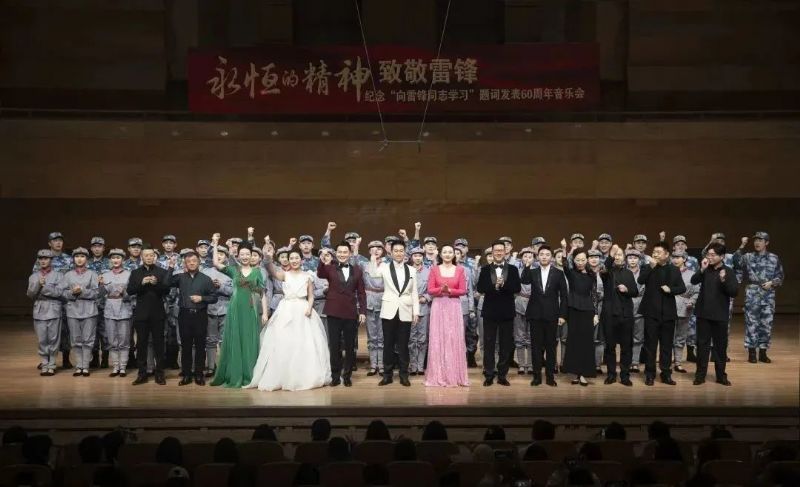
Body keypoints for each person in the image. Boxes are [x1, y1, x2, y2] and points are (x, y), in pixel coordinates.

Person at [247, 247, 331, 391]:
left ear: (301, 260)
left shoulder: (308, 276)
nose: (294, 260)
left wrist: (309, 307)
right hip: (286, 309)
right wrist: (268, 257)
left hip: (303, 309)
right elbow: (271, 270)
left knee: (304, 342)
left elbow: (311, 296)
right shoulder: (284, 274)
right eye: (291, 258)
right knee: (283, 340)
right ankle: (282, 375)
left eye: (296, 258)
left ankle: (302, 375)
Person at [210, 235, 267, 388]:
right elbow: (216, 263)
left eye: (248, 254)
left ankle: (249, 375)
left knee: (249, 341)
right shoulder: (233, 270)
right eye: (242, 254)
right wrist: (215, 244)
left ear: (252, 255)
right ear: (238, 255)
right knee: (235, 340)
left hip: (250, 310)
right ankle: (234, 374)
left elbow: (262, 293)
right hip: (235, 309)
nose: (245, 257)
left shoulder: (257, 272)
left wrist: (265, 313)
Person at [368, 240, 420, 387]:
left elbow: (414, 292)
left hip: (406, 309)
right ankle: (387, 375)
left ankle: (404, 375)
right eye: (395, 250)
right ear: (391, 252)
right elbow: (373, 273)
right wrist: (373, 258)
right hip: (389, 310)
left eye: (401, 250)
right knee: (388, 345)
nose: (398, 253)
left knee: (404, 345)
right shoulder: (384, 267)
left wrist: (416, 311)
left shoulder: (412, 270)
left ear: (405, 252)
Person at [316, 241, 367, 387]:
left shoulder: (357, 270)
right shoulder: (330, 267)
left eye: (345, 252)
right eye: (339, 252)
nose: (342, 254)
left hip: (350, 312)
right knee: (334, 345)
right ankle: (335, 376)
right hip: (333, 311)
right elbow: (320, 273)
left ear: (350, 254)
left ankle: (347, 375)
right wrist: (322, 261)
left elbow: (361, 292)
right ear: (336, 253)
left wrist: (362, 311)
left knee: (350, 346)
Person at [637, 241, 686, 386]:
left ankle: (666, 374)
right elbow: (640, 280)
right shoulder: (647, 267)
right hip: (651, 312)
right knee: (650, 346)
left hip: (668, 313)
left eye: (659, 252)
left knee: (666, 346)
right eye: (654, 252)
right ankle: (649, 374)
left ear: (666, 254)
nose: (655, 255)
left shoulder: (674, 269)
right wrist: (651, 268)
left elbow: (682, 288)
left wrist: (671, 290)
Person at [166, 251, 218, 386]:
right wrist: (171, 267)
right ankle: (187, 375)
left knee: (200, 346)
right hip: (184, 315)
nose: (192, 263)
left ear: (199, 262)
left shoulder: (206, 279)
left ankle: (199, 375)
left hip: (200, 315)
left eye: (194, 261)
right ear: (185, 263)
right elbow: (166, 283)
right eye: (189, 261)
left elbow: (214, 297)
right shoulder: (180, 277)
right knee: (186, 346)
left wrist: (202, 298)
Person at [692, 242, 738, 386]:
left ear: (722, 256)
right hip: (703, 314)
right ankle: (700, 376)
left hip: (720, 315)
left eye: (713, 255)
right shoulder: (706, 269)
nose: (709, 257)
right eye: (708, 255)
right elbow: (693, 281)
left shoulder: (728, 271)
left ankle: (721, 376)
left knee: (720, 347)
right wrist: (701, 269)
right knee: (702, 346)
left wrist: (724, 280)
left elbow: (734, 292)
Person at [476, 241, 522, 387]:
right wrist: (494, 285)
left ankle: (502, 375)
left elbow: (517, 288)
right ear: (492, 252)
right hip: (489, 312)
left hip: (507, 312)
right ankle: (489, 374)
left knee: (505, 345)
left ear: (505, 252)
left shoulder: (513, 269)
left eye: (501, 250)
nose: (499, 253)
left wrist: (504, 285)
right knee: (489, 345)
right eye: (496, 250)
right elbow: (480, 288)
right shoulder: (485, 269)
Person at [522, 245, 568, 387]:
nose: (544, 257)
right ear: (538, 256)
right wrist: (527, 266)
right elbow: (524, 280)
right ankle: (536, 376)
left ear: (551, 257)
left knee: (551, 347)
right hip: (535, 314)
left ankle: (550, 377)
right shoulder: (533, 271)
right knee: (535, 347)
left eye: (547, 254)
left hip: (552, 314)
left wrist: (562, 315)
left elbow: (564, 296)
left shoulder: (558, 273)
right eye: (541, 254)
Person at [734, 232, 783, 364]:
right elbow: (736, 261)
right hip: (752, 294)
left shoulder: (774, 258)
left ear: (766, 243)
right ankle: (751, 352)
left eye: (761, 240)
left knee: (766, 324)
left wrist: (772, 283)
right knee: (751, 323)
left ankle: (762, 352)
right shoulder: (748, 257)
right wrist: (742, 245)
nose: (757, 242)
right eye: (756, 240)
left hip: (768, 296)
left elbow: (780, 276)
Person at [425, 244, 469, 387]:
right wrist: (441, 289)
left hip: (454, 306)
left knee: (453, 339)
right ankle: (438, 375)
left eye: (450, 252)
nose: (448, 254)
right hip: (438, 305)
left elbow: (463, 290)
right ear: (440, 254)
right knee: (438, 338)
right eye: (445, 252)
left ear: (454, 255)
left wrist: (449, 290)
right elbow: (430, 290)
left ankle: (454, 375)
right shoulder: (434, 269)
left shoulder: (460, 270)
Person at [127, 247, 171, 385]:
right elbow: (130, 290)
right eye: (146, 255)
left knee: (159, 345)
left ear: (155, 257)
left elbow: (167, 290)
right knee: (141, 345)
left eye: (151, 255)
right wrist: (142, 283)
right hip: (141, 314)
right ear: (142, 257)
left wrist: (156, 284)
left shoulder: (162, 272)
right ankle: (142, 374)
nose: (149, 257)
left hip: (158, 313)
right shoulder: (135, 273)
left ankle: (160, 374)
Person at [599, 246, 639, 386]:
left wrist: (627, 289)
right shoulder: (607, 272)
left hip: (626, 315)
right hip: (610, 315)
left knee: (626, 347)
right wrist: (611, 254)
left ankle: (625, 375)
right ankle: (611, 375)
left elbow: (635, 292)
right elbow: (605, 267)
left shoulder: (628, 273)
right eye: (615, 255)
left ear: (624, 257)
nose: (617, 257)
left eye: (620, 254)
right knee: (610, 347)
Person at [59, 247, 101, 377]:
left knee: (88, 339)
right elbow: (62, 293)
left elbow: (96, 293)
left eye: (82, 256)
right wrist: (72, 292)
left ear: (86, 259)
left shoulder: (92, 274)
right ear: (73, 259)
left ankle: (86, 366)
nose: (79, 259)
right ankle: (79, 366)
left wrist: (82, 291)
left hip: (89, 310)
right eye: (77, 256)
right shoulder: (68, 275)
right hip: (73, 310)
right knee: (75, 339)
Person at [562, 248, 600, 386]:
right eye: (577, 260)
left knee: (586, 342)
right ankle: (576, 373)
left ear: (587, 260)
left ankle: (584, 374)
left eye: (583, 260)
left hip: (588, 310)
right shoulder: (571, 273)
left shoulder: (592, 275)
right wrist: (566, 250)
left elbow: (594, 294)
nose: (580, 262)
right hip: (573, 310)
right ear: (574, 260)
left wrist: (596, 313)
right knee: (574, 342)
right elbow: (565, 264)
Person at [27, 249, 63, 376]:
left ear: (51, 260)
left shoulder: (58, 276)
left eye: (46, 259)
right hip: (40, 309)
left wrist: (44, 287)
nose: (43, 261)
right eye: (41, 259)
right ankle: (44, 363)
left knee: (53, 338)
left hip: (53, 308)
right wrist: (38, 284)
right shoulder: (34, 276)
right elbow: (30, 294)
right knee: (42, 339)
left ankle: (52, 364)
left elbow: (59, 292)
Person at [99, 249, 133, 377]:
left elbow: (133, 294)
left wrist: (124, 292)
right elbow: (100, 294)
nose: (116, 260)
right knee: (112, 340)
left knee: (124, 340)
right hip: (110, 309)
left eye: (118, 258)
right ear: (110, 260)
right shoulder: (105, 275)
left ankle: (123, 367)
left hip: (124, 308)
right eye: (113, 258)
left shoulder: (129, 274)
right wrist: (100, 285)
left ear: (123, 260)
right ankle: (115, 366)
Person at [201, 245, 233, 377]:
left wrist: (221, 286)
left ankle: (224, 367)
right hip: (209, 309)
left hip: (226, 309)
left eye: (222, 254)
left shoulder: (231, 271)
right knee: (210, 339)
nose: (219, 256)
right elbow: (200, 290)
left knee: (225, 340)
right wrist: (210, 286)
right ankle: (211, 366)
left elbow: (234, 291)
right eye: (217, 253)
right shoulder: (205, 272)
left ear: (226, 257)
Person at [672, 250, 699, 374]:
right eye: (674, 257)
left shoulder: (692, 274)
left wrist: (691, 301)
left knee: (680, 336)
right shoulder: (668, 272)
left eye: (679, 257)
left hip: (684, 307)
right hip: (669, 306)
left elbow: (696, 291)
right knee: (667, 337)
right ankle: (666, 362)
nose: (676, 259)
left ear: (684, 259)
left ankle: (678, 362)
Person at [362, 241, 386, 376]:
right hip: (369, 301)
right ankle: (373, 365)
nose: (376, 251)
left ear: (383, 251)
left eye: (379, 249)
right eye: (373, 249)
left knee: (381, 336)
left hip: (383, 301)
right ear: (369, 251)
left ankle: (381, 364)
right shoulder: (364, 265)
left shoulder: (386, 266)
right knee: (372, 336)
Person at [408, 247, 431, 376]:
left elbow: (432, 289)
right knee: (411, 338)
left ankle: (421, 366)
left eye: (420, 256)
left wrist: (425, 297)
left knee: (422, 338)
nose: (417, 258)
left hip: (423, 307)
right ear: (411, 257)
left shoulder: (429, 272)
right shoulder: (407, 270)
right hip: (409, 308)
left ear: (423, 257)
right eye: (415, 256)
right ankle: (413, 365)